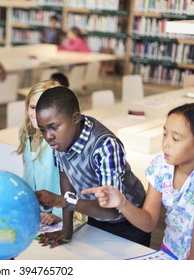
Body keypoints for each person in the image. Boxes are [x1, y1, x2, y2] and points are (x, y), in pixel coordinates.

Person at [35, 86, 151, 247]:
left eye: (54, 127)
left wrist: (62, 201)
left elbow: (112, 209)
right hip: (96, 215)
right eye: (43, 129)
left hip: (129, 223)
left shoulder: (105, 146)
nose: (48, 136)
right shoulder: (61, 140)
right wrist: (66, 229)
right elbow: (65, 176)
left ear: (75, 118)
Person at [82, 103, 194, 260]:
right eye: (164, 134)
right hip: (169, 251)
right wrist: (121, 202)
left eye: (175, 138)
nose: (166, 143)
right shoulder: (161, 167)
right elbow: (148, 223)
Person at [15, 79, 63, 225]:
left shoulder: (59, 139)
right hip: (35, 207)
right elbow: (28, 172)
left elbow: (68, 180)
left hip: (55, 208)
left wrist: (58, 212)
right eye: (33, 107)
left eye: (42, 108)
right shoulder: (24, 133)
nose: (36, 114)